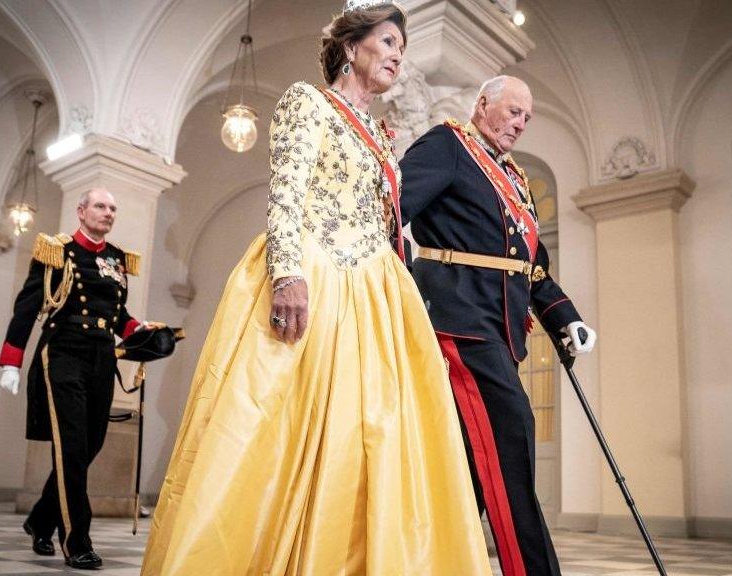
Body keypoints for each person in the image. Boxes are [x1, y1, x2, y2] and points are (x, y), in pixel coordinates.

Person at [140, 2, 492, 575]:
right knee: (279, 424)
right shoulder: (309, 102)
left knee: (375, 430)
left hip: (375, 289)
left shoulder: (382, 133)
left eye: (402, 48)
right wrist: (288, 272)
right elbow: (286, 190)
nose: (398, 55)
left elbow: (387, 220)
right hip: (315, 270)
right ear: (351, 48)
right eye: (386, 42)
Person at [399, 75, 598, 576]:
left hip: (500, 328)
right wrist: (409, 284)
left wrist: (564, 318)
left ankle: (436, 564)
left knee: (468, 463)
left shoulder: (515, 179)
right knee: (513, 437)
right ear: (483, 103)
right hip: (460, 323)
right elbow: (388, 211)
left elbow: (530, 263)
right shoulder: (447, 145)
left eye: (527, 118)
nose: (520, 124)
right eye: (513, 112)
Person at [0, 188, 147, 570]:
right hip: (63, 351)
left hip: (100, 355)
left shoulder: (116, 258)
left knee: (90, 445)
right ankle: (76, 539)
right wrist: (11, 361)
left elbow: (117, 314)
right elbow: (28, 305)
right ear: (81, 211)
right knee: (71, 447)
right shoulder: (56, 250)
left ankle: (39, 519)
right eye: (100, 206)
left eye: (113, 208)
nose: (108, 212)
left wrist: (140, 331)